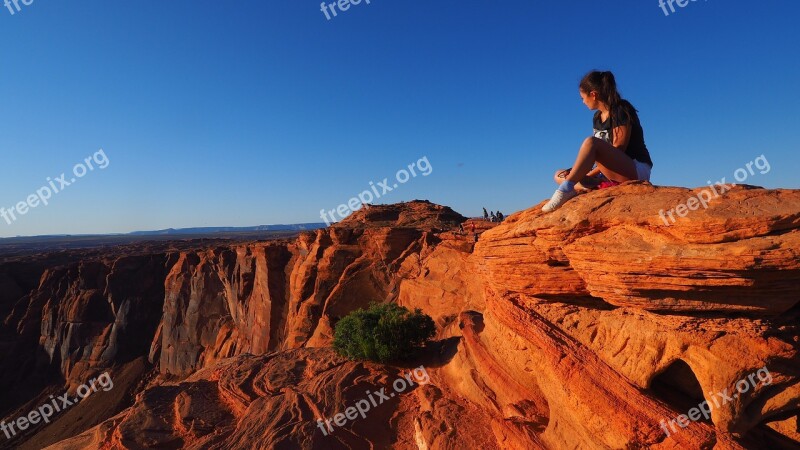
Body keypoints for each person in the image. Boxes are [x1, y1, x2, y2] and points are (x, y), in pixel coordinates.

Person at [543, 70, 654, 213]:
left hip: (635, 168)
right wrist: (580, 172)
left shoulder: (620, 109)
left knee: (591, 143)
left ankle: (566, 189)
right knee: (558, 174)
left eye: (583, 97)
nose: (583, 102)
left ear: (593, 94)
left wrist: (586, 175)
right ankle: (599, 185)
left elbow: (618, 149)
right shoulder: (597, 117)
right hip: (608, 171)